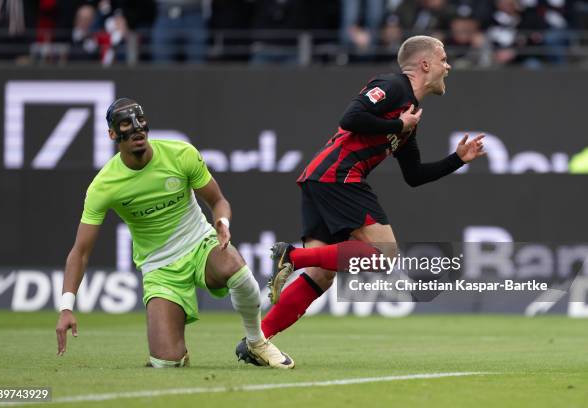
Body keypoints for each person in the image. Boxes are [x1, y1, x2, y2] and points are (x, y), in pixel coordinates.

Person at [236, 35, 486, 364]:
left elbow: (414, 176)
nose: (448, 66)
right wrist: (398, 123)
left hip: (320, 179)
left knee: (322, 275)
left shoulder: (410, 114)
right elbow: (351, 117)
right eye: (443, 59)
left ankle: (256, 340)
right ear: (425, 64)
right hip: (337, 175)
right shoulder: (393, 86)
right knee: (385, 254)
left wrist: (457, 159)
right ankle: (292, 257)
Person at [56, 98, 294, 369]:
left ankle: (256, 342)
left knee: (236, 268)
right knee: (166, 363)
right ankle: (174, 351)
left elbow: (218, 201)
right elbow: (80, 252)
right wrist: (66, 307)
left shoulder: (180, 155)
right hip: (160, 268)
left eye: (140, 121)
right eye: (125, 124)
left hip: (200, 244)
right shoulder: (104, 185)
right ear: (112, 134)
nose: (136, 129)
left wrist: (222, 223)